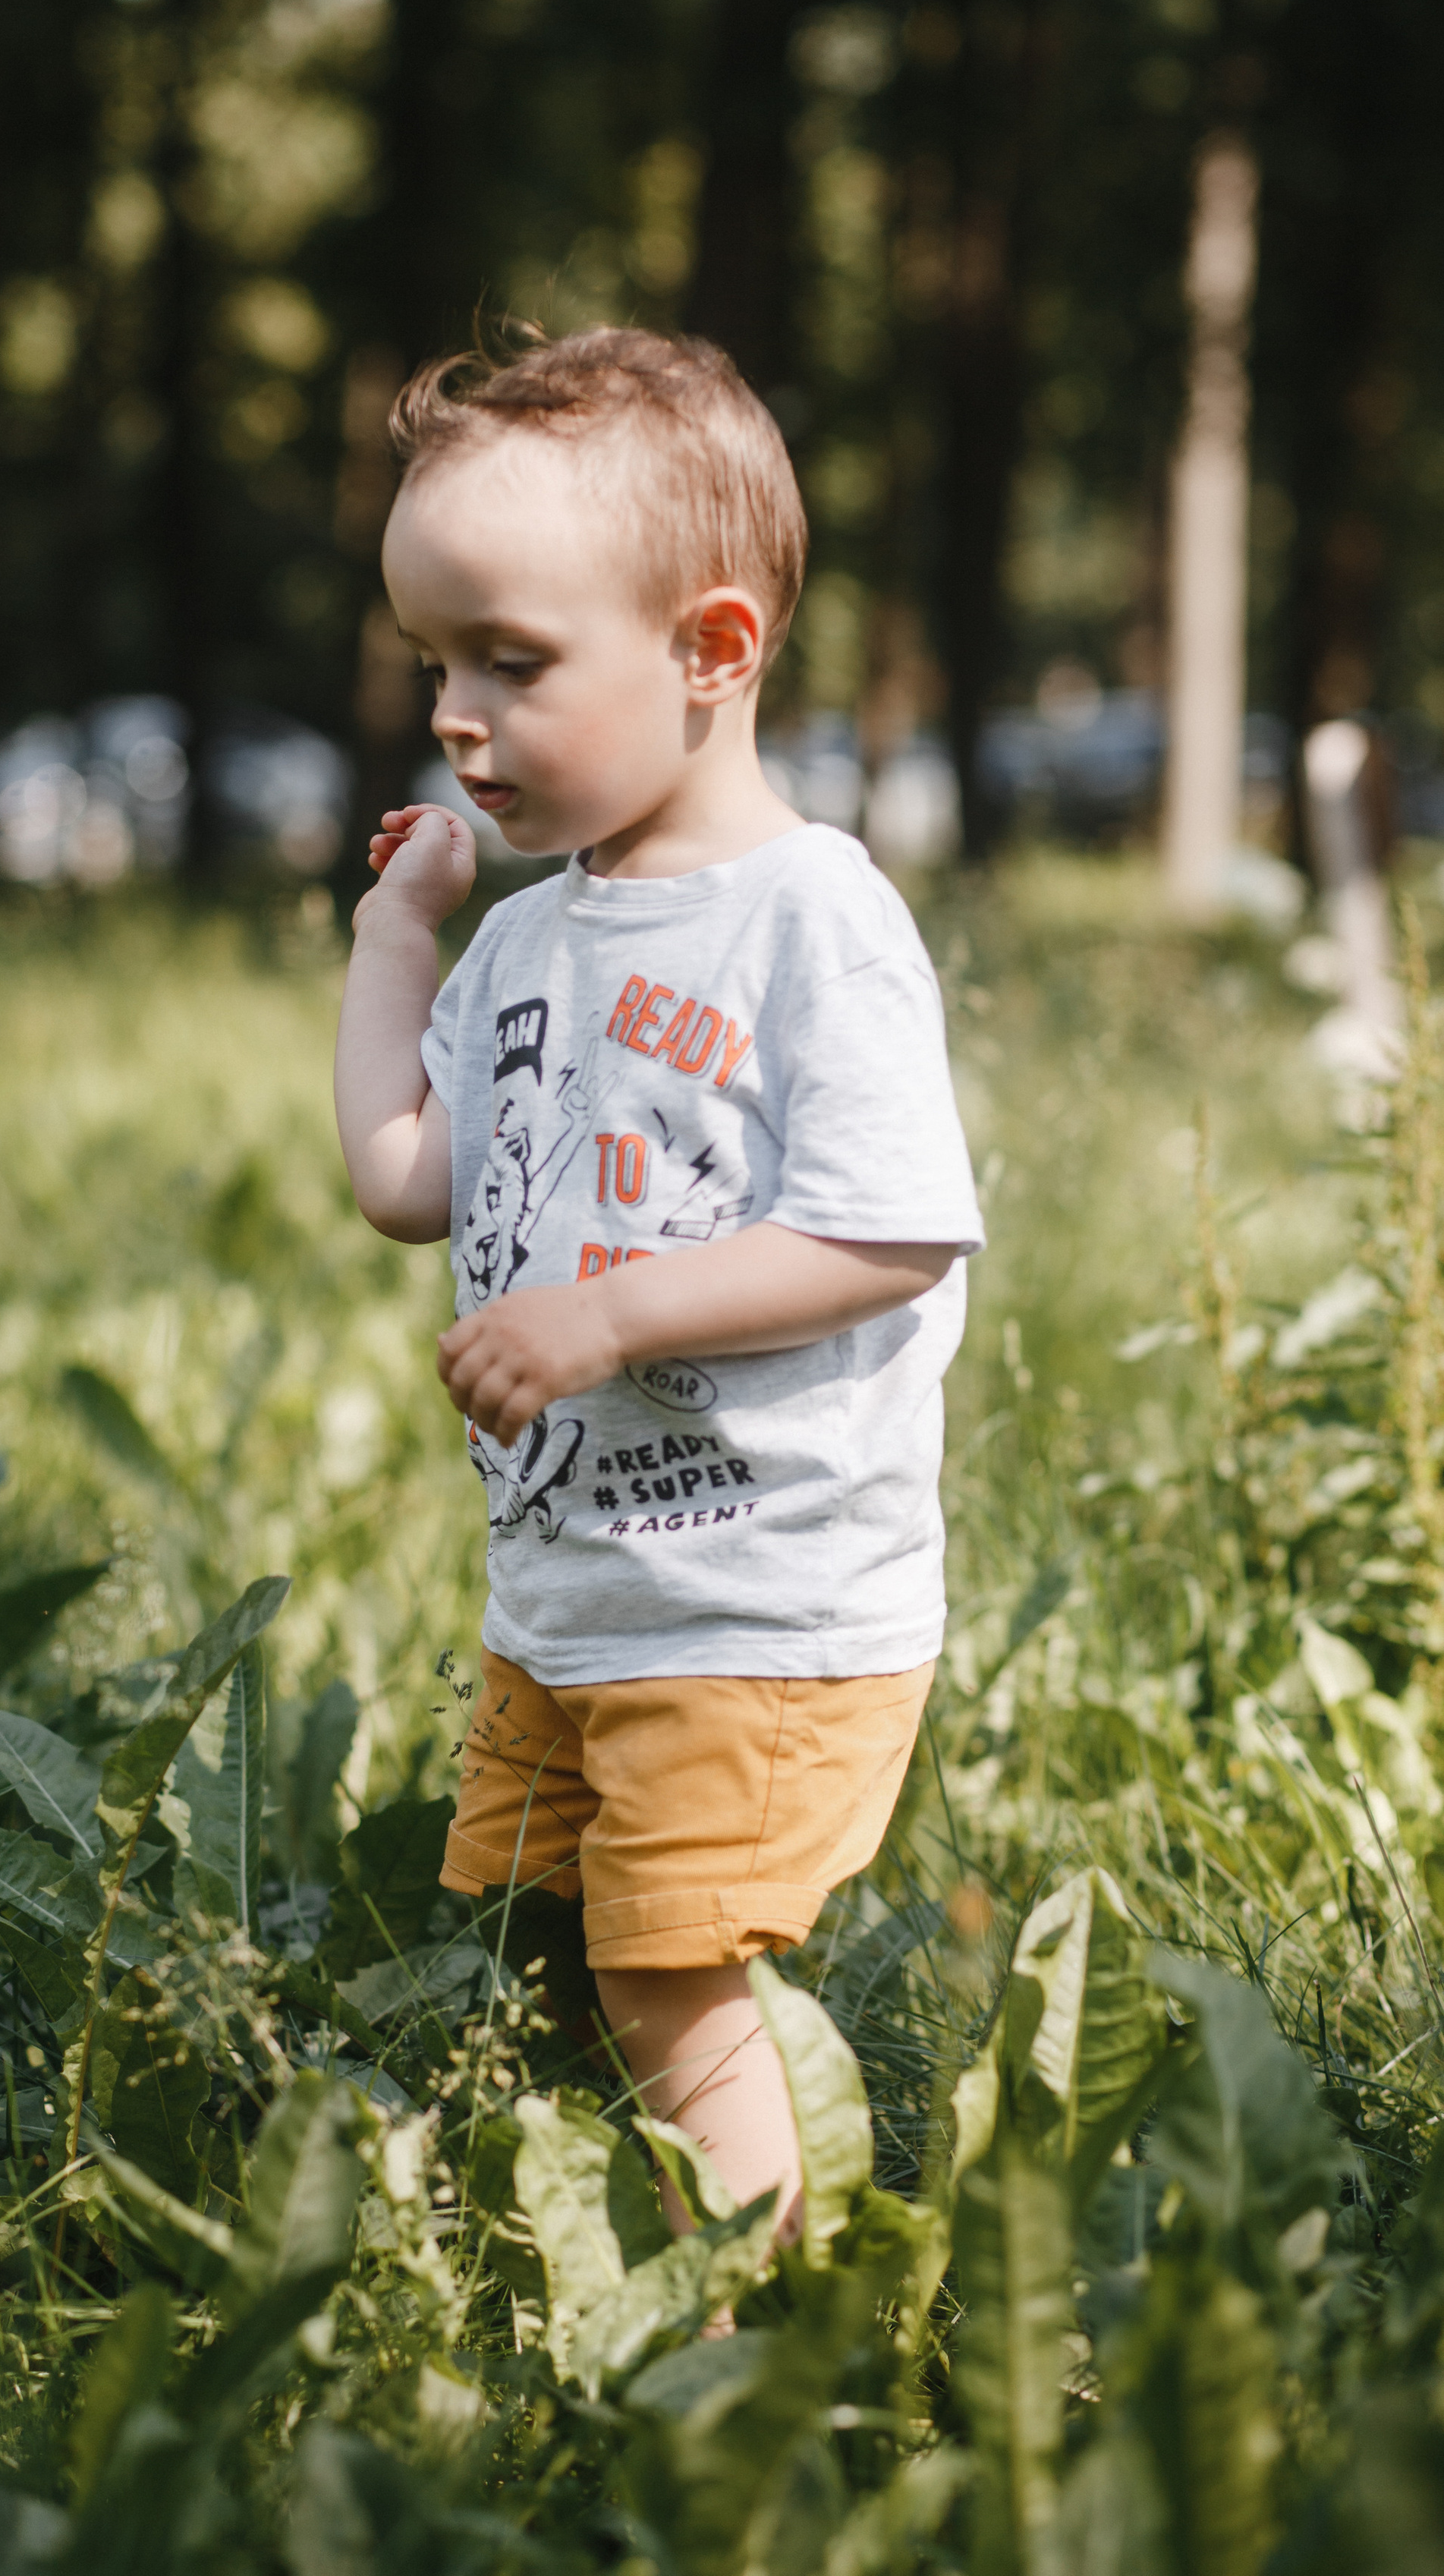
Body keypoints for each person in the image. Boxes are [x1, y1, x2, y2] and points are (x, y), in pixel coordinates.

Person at [332, 326, 983, 2238]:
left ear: (711, 651)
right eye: (434, 664)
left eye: (509, 664)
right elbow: (401, 1180)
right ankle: (594, 2239)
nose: (456, 716)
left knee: (664, 1979)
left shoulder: (811, 919)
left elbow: (889, 1225)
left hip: (756, 1593)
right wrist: (396, 939)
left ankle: (759, 2336)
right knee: (532, 1944)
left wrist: (604, 1315)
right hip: (572, 1589)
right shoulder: (528, 944)